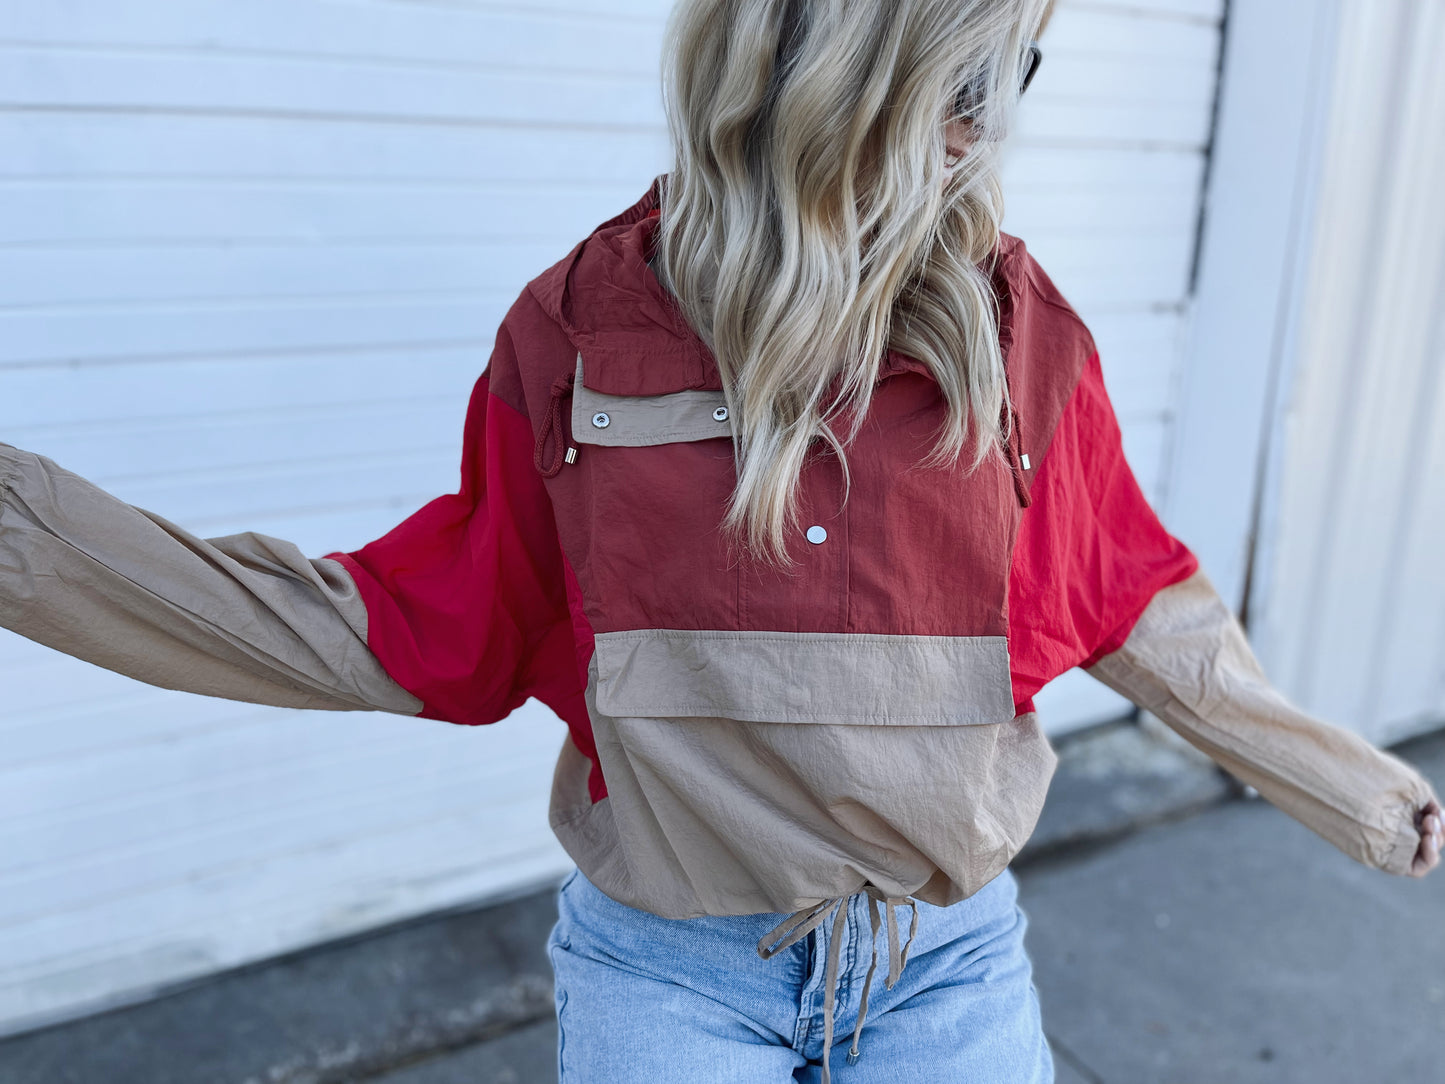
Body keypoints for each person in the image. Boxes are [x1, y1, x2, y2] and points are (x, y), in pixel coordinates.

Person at [1, 0, 1440, 1081]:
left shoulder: (1014, 339)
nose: (986, 128)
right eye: (964, 80)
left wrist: (1354, 790)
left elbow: (1135, 596)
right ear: (824, 79)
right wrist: (26, 538)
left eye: (1009, 79)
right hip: (671, 976)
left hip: (944, 970)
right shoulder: (578, 335)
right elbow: (415, 621)